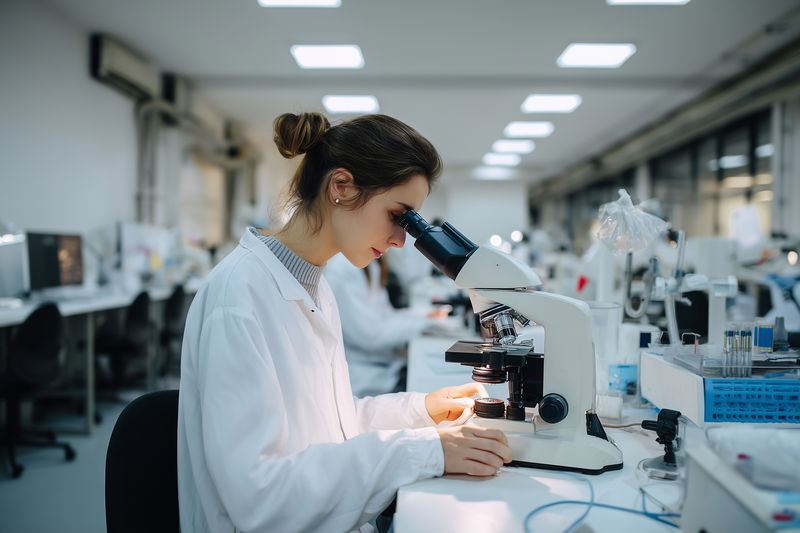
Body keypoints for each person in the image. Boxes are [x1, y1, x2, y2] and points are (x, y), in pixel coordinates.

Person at [177, 112, 512, 533]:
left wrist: (421, 411)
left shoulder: (315, 286)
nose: (399, 240)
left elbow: (331, 425)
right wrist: (424, 452)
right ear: (341, 187)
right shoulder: (238, 297)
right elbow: (259, 498)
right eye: (398, 215)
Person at [325, 253, 443, 397]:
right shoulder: (343, 269)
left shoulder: (370, 265)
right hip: (366, 380)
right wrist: (423, 322)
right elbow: (371, 337)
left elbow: (385, 316)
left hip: (384, 368)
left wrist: (423, 315)